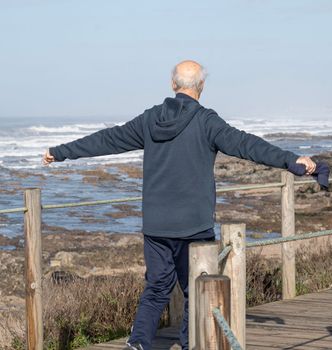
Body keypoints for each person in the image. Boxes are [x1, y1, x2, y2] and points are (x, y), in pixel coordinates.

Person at [42, 60, 316, 350]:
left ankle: (138, 344)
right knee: (196, 292)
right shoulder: (207, 121)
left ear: (174, 85)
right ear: (201, 87)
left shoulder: (151, 120)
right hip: (194, 228)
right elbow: (246, 145)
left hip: (157, 226)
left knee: (157, 287)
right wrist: (290, 160)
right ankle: (190, 344)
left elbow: (107, 139)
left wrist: (60, 153)